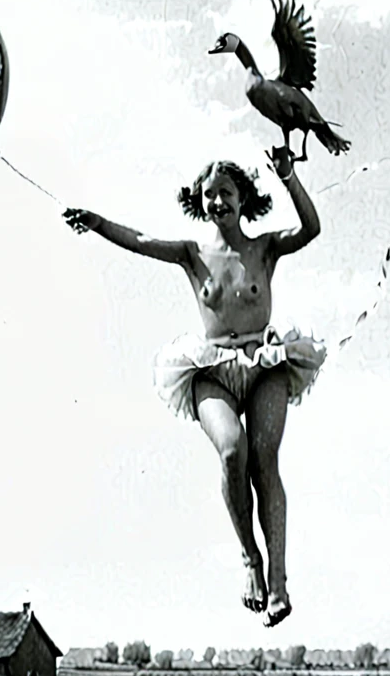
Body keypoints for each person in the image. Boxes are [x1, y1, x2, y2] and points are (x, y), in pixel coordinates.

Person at [63, 146, 325, 627]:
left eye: (226, 193)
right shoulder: (192, 253)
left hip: (263, 363)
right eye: (209, 196)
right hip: (211, 369)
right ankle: (251, 562)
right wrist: (98, 222)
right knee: (232, 451)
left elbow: (311, 228)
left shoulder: (263, 248)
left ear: (242, 197)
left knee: (265, 460)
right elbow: (140, 239)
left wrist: (289, 177)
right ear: (201, 203)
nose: (218, 202)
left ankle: (280, 581)